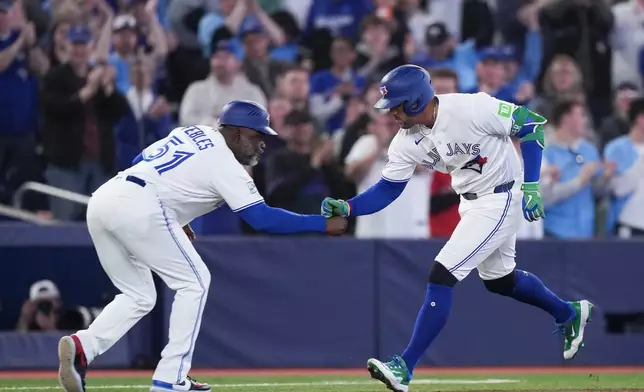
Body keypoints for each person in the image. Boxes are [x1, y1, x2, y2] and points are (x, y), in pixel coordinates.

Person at [320, 65, 593, 392]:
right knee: (501, 281)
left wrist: (532, 186)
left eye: (396, 105)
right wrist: (349, 207)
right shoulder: (406, 141)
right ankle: (568, 313)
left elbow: (532, 124)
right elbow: (388, 189)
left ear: (416, 102)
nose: (391, 113)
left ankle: (404, 367)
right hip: (472, 201)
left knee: (442, 273)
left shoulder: (471, 107)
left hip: (501, 195)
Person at [56, 100, 348, 392]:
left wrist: (175, 214)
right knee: (195, 282)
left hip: (105, 198)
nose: (262, 145)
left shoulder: (194, 132)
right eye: (257, 136)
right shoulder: (226, 163)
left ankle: (84, 347)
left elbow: (140, 161)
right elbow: (263, 219)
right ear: (236, 134)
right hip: (141, 208)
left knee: (139, 295)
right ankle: (171, 378)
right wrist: (321, 224)